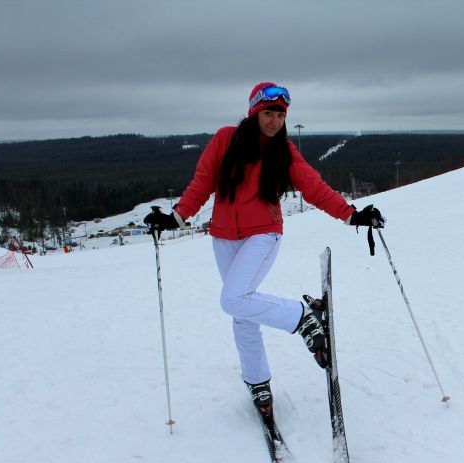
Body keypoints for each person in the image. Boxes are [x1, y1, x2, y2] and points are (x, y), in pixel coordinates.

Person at [144, 82, 384, 414]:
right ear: (255, 112)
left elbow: (313, 187)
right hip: (224, 237)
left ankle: (302, 317)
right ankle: (258, 381)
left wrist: (351, 214)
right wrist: (177, 217)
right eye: (269, 113)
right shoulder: (225, 140)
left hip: (264, 234)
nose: (274, 121)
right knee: (242, 311)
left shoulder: (284, 152)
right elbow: (202, 183)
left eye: (281, 115)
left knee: (233, 299)